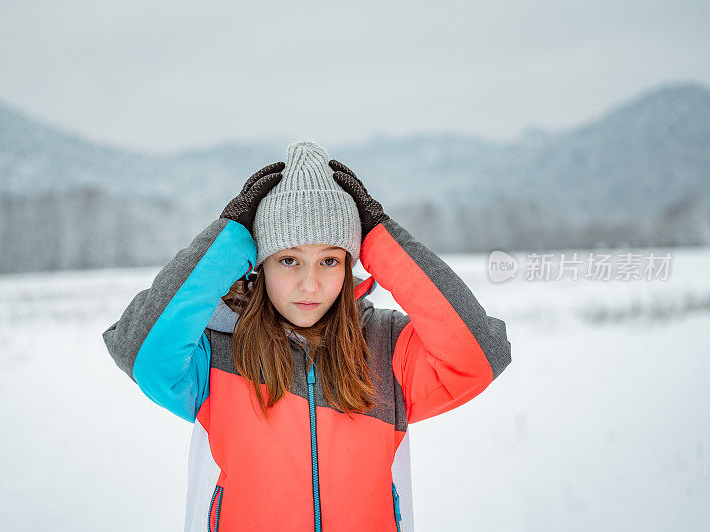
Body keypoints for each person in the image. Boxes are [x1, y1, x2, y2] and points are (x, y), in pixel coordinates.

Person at [101, 140, 512, 532]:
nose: (310, 285)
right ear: (258, 265)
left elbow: (479, 356)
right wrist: (227, 239)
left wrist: (381, 240)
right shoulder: (215, 349)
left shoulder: (388, 347)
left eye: (330, 260)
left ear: (351, 262)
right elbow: (138, 351)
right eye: (289, 260)